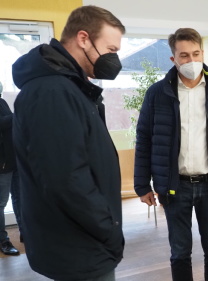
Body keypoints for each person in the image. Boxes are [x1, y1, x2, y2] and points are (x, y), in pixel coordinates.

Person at [11, 5, 125, 281]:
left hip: (81, 240)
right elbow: (66, 180)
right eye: (110, 50)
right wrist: (108, 230)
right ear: (83, 38)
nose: (114, 59)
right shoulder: (52, 92)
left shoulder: (68, 86)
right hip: (79, 245)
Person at [134, 27, 208, 281]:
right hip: (175, 186)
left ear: (203, 52)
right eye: (184, 55)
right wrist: (142, 184)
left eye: (196, 54)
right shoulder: (157, 94)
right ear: (173, 59)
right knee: (179, 252)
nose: (192, 61)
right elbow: (144, 140)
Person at [0, 82, 19, 256]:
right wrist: (18, 114)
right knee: (0, 203)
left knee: (20, 198)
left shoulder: (2, 102)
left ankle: (26, 233)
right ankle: (3, 241)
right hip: (3, 164)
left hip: (13, 161)